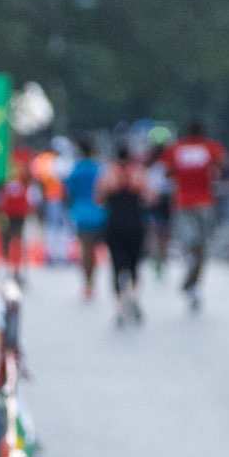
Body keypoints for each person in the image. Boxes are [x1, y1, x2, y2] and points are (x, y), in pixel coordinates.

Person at [167, 119, 226, 306]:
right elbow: (216, 172)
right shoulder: (211, 148)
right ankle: (194, 282)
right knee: (202, 247)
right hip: (205, 202)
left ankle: (190, 274)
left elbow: (168, 174)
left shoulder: (176, 149)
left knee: (189, 245)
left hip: (183, 202)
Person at [97, 138, 151, 326]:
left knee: (116, 266)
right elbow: (149, 197)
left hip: (115, 224)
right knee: (135, 265)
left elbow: (99, 198)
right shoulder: (138, 172)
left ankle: (119, 306)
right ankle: (134, 297)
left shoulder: (109, 173)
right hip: (135, 223)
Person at [66, 139, 106, 301]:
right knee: (95, 249)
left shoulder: (76, 170)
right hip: (99, 213)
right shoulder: (99, 169)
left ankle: (87, 283)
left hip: (81, 213)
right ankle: (92, 280)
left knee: (86, 249)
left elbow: (69, 192)